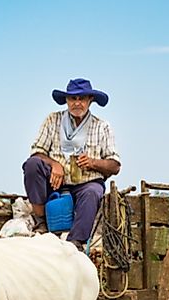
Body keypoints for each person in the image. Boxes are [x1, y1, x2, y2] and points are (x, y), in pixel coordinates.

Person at [22, 78, 121, 250]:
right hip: (55, 183)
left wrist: (93, 162)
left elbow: (115, 165)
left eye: (82, 98)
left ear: (90, 100)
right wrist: (55, 165)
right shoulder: (53, 120)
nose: (77, 103)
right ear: (67, 101)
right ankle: (41, 223)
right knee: (32, 165)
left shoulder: (102, 126)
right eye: (72, 99)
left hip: (86, 183)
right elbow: (37, 151)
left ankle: (75, 244)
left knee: (93, 192)